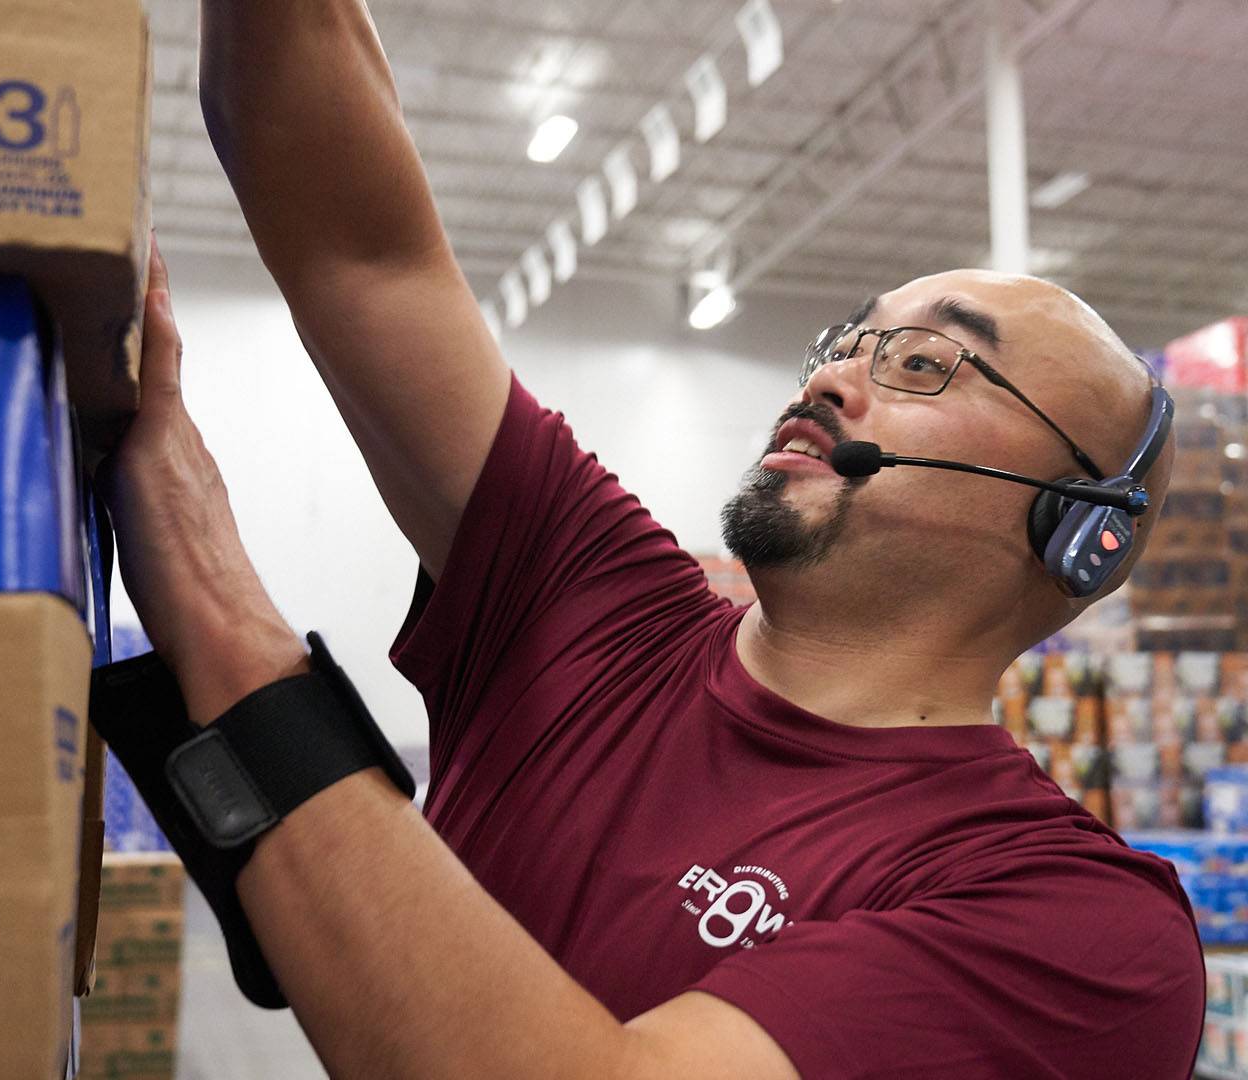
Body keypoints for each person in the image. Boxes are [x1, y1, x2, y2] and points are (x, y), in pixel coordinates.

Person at [95, 2, 1206, 1076]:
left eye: (923, 364)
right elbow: (360, 252)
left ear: (1080, 534)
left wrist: (217, 608)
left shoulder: (1075, 925)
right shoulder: (593, 603)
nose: (827, 377)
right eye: (847, 340)